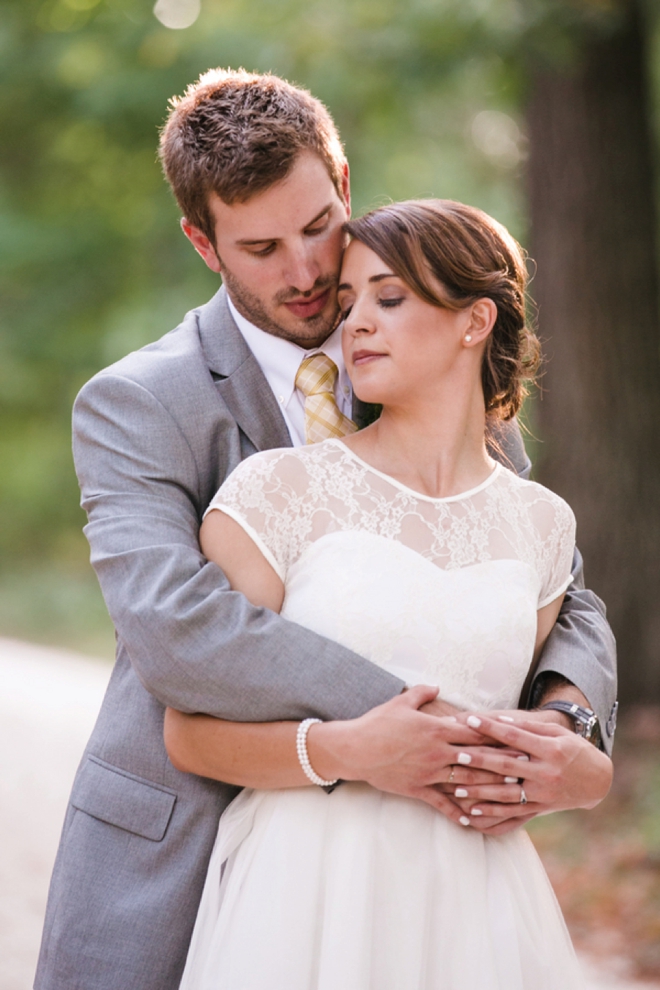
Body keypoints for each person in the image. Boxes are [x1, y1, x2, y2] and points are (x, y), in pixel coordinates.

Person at [35, 69, 616, 990]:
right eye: (261, 247)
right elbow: (178, 632)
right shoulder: (139, 404)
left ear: (344, 187)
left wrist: (567, 726)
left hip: (430, 865)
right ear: (202, 242)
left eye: (316, 229)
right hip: (182, 842)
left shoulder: (436, 372)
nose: (305, 273)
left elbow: (551, 582)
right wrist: (433, 722)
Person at [164, 198, 610, 988]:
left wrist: (572, 765)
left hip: (477, 903)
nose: (355, 323)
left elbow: (542, 717)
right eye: (350, 303)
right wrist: (343, 750)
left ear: (475, 321)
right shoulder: (278, 493)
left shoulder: (542, 523)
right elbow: (191, 734)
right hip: (306, 892)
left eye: (389, 298)